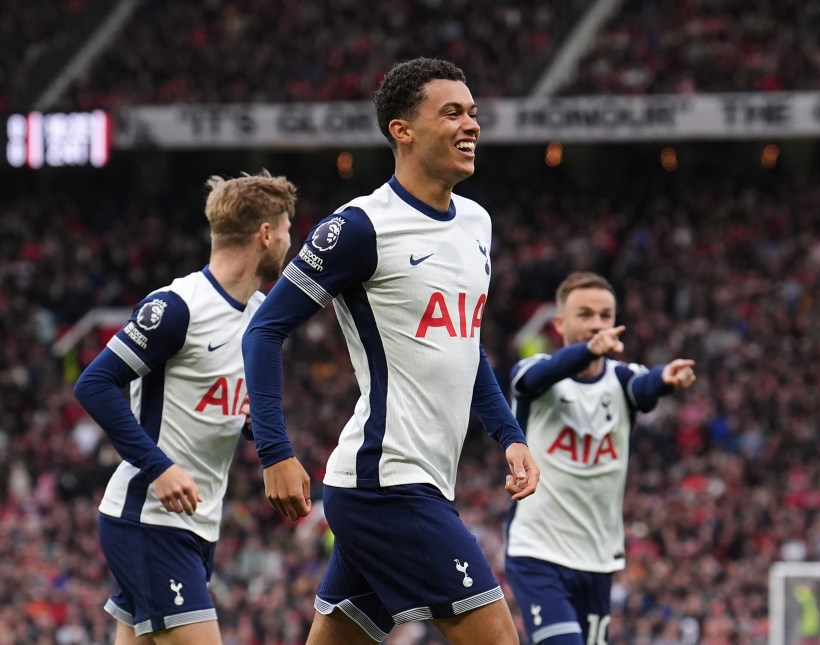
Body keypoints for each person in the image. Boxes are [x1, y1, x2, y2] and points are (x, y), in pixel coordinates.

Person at [241, 57, 540, 645]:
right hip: (388, 484)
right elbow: (264, 329)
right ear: (401, 130)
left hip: (411, 482)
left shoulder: (477, 224)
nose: (471, 125)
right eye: (451, 112)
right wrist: (274, 452)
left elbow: (464, 345)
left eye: (474, 113)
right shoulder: (360, 227)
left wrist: (510, 435)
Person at [74, 171, 297, 645]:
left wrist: (261, 435)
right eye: (286, 231)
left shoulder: (261, 316)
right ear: (265, 234)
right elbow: (94, 383)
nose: (288, 242)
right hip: (150, 518)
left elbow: (221, 405)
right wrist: (158, 467)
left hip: (195, 524)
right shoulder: (178, 307)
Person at [504, 271, 697, 645]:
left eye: (605, 315)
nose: (597, 324)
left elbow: (645, 386)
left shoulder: (622, 380)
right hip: (538, 550)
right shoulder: (535, 373)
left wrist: (666, 379)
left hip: (597, 559)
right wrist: (589, 351)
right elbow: (533, 378)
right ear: (559, 324)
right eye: (585, 314)